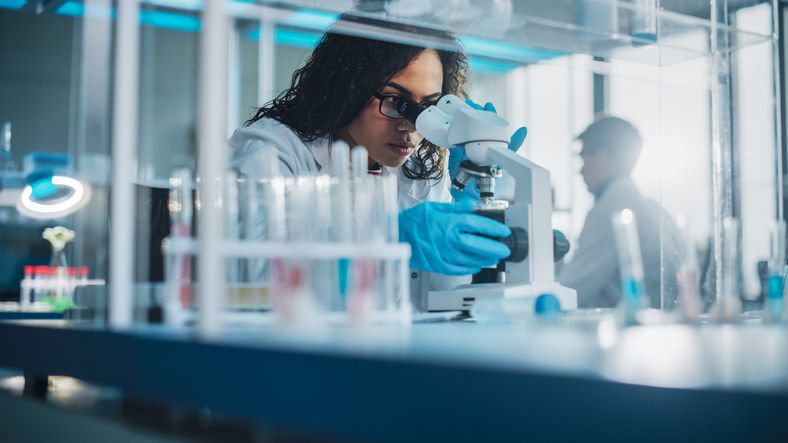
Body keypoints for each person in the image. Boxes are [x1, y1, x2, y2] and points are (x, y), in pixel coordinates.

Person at [228, 18, 526, 310]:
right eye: (397, 102)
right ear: (346, 88)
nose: (410, 127)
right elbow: (259, 281)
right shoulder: (273, 151)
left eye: (429, 107)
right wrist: (390, 238)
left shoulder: (418, 175)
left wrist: (467, 209)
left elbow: (442, 299)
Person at [558, 116, 680, 309]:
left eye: (583, 156)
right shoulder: (654, 209)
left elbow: (570, 292)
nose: (580, 170)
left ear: (602, 157)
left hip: (632, 332)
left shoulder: (610, 210)